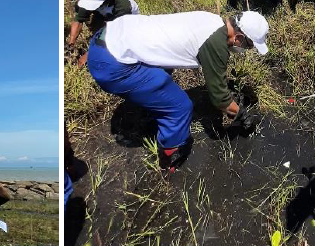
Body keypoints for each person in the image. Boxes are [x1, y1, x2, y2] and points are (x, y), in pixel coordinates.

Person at [85, 11, 270, 171]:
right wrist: (241, 115)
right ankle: (169, 158)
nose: (246, 50)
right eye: (249, 46)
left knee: (163, 75)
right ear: (238, 38)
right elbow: (220, 98)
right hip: (111, 64)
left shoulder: (211, 20)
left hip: (106, 36)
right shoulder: (216, 45)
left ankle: (151, 107)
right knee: (180, 107)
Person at [68, 0, 140, 49]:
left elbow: (115, 31)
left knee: (121, 43)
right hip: (104, 16)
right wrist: (72, 41)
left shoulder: (124, 6)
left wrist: (90, 53)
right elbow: (79, 20)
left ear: (107, 0)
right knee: (97, 30)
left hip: (126, 22)